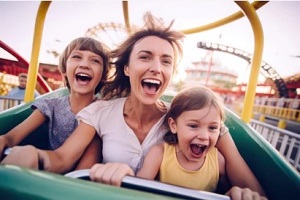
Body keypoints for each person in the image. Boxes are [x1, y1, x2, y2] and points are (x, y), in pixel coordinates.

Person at [2, 12, 266, 199]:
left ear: (171, 73)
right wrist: (34, 156)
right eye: (145, 57)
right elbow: (62, 159)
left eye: (166, 61)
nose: (155, 67)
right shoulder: (100, 111)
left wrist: (241, 193)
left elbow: (253, 187)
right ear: (127, 68)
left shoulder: (192, 118)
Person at [0, 37, 110, 170]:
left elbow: (85, 168)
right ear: (64, 69)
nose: (85, 65)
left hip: (82, 180)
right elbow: (12, 137)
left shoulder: (104, 111)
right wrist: (4, 140)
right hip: (50, 170)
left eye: (95, 60)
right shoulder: (50, 106)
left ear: (103, 75)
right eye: (77, 57)